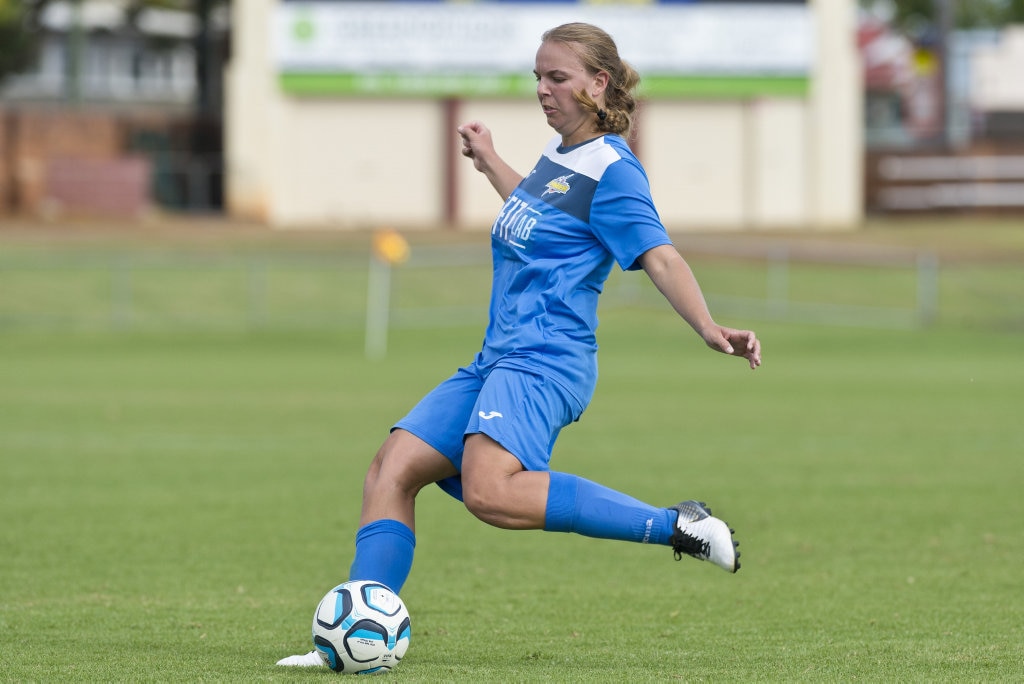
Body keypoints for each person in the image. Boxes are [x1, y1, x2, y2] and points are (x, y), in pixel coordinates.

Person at [278, 22, 761, 667]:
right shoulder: (557, 160)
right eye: (537, 76)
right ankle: (360, 638)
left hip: (545, 362)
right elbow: (537, 215)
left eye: (557, 77)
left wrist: (709, 327)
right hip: (497, 356)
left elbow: (662, 257)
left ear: (599, 83)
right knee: (390, 469)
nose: (543, 89)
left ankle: (680, 526)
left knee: (490, 493)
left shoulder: (614, 171)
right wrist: (490, 160)